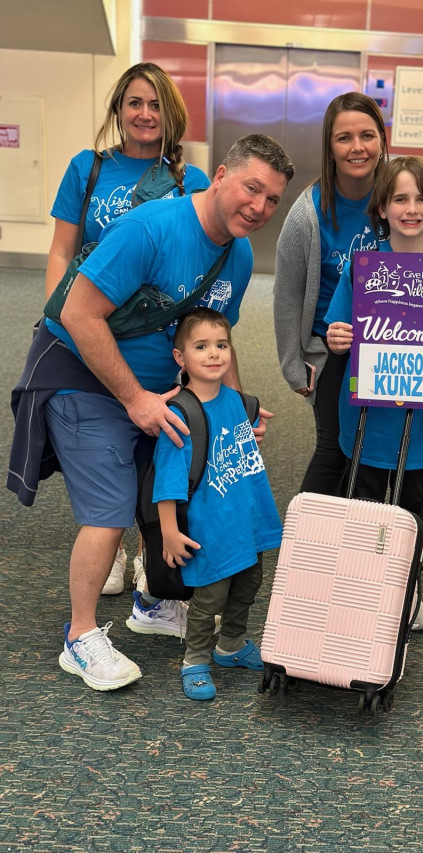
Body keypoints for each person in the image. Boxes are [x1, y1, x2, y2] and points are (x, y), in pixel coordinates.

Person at [8, 133, 294, 691]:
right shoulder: (151, 229)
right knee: (111, 510)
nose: (259, 208)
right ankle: (81, 636)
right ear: (219, 175)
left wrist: (230, 412)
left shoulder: (234, 251)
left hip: (159, 388)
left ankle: (153, 602)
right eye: (251, 188)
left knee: (176, 486)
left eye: (272, 200)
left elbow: (215, 336)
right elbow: (79, 314)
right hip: (83, 376)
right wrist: (134, 399)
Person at [45, 62, 210, 597]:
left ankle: (146, 550)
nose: (145, 114)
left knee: (155, 454)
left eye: (156, 104)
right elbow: (62, 250)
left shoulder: (191, 182)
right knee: (100, 445)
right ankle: (108, 549)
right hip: (91, 330)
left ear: (172, 114)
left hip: (159, 341)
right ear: (118, 109)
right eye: (134, 102)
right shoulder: (87, 169)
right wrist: (55, 320)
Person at [325, 156, 423, 631]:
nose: (410, 209)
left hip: (421, 420)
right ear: (383, 207)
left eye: (421, 199)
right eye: (400, 198)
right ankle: (364, 589)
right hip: (367, 416)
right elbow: (339, 326)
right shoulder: (363, 267)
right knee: (365, 501)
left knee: (410, 506)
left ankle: (407, 588)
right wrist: (336, 337)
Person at [151, 309, 282, 700]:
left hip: (247, 520)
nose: (214, 354)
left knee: (250, 584)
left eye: (221, 345)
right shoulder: (180, 414)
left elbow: (248, 434)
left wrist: (255, 421)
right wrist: (170, 532)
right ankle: (195, 660)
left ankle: (231, 646)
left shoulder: (238, 402)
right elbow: (167, 481)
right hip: (210, 529)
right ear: (181, 358)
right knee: (209, 600)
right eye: (201, 346)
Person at [273, 92, 388, 497]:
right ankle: (306, 547)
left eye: (367, 135)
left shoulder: (401, 199)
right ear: (330, 146)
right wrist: (292, 361)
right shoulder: (308, 213)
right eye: (344, 138)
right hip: (332, 346)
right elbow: (287, 293)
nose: (357, 148)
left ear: (381, 140)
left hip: (391, 345)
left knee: (382, 454)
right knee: (335, 450)